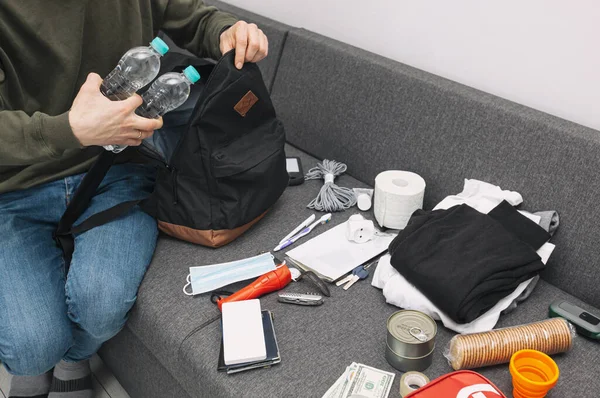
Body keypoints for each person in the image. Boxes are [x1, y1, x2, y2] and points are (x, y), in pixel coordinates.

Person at [0, 1, 268, 397]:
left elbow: (194, 15)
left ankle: (72, 359)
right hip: (14, 185)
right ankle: (40, 360)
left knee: (103, 308)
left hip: (115, 168)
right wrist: (69, 129)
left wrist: (229, 30)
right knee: (29, 349)